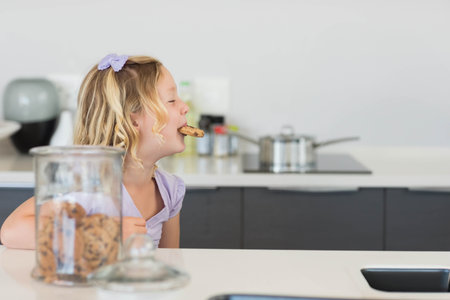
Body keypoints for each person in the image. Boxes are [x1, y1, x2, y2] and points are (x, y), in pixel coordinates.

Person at [0, 54, 190, 249]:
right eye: (172, 100)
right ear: (133, 121)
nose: (185, 107)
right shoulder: (89, 185)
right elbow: (11, 231)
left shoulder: (169, 191)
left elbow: (170, 262)